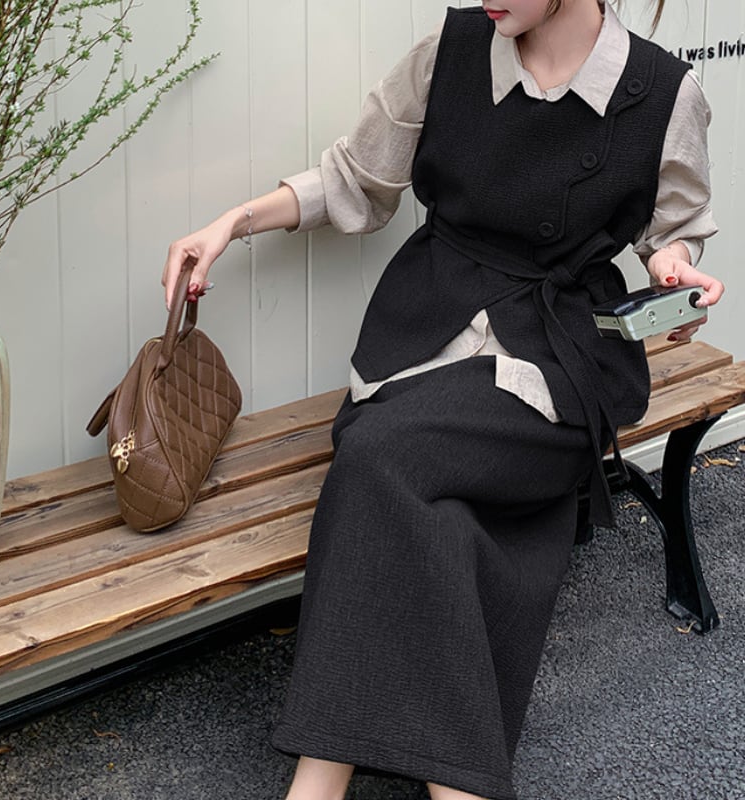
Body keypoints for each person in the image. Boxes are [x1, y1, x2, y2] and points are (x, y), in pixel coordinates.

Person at [162, 1, 724, 797]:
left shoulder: (664, 91)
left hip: (557, 363)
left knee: (376, 456)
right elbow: (356, 182)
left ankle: (318, 781)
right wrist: (233, 222)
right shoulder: (452, 52)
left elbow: (676, 232)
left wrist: (673, 269)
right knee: (435, 520)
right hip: (422, 335)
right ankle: (455, 784)